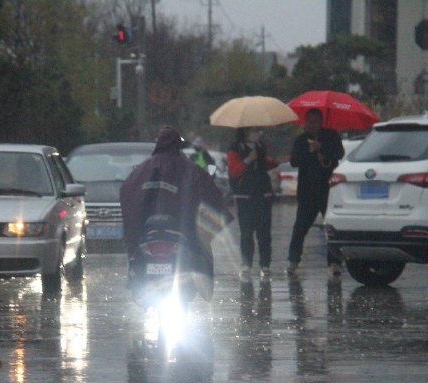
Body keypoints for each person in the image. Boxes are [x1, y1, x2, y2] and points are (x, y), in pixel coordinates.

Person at [120, 126, 233, 276]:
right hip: (181, 228)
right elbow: (209, 193)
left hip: (148, 231)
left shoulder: (142, 170)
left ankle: (134, 274)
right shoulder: (189, 168)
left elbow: (127, 193)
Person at [286, 108, 345, 276]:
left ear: (321, 122)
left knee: (331, 228)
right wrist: (309, 152)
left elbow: (339, 153)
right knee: (300, 227)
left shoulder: (331, 136)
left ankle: (334, 262)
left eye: (315, 121)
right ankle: (293, 260)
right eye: (309, 121)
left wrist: (322, 149)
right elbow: (294, 161)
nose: (312, 125)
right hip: (307, 192)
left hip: (328, 190)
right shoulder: (300, 141)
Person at [227, 126, 287, 280]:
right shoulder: (235, 148)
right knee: (246, 232)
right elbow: (233, 171)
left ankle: (265, 265)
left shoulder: (261, 146)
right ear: (245, 131)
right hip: (244, 196)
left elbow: (265, 163)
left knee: (264, 233)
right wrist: (248, 159)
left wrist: (274, 162)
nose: (256, 133)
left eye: (257, 129)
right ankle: (246, 264)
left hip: (263, 194)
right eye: (252, 130)